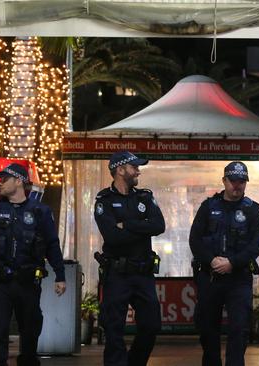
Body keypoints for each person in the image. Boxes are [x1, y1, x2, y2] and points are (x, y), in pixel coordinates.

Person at [0, 163, 66, 366]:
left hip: (28, 282)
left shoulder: (40, 212)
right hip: (0, 282)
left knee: (30, 331)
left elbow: (52, 245)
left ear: (19, 181)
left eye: (4, 179)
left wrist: (60, 275)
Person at [93, 151, 166, 366]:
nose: (138, 171)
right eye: (134, 167)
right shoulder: (104, 200)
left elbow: (159, 226)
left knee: (151, 326)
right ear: (120, 169)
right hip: (117, 273)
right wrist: (142, 228)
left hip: (143, 273)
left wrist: (128, 224)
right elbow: (113, 237)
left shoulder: (144, 197)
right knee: (113, 328)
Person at [189, 161, 259, 366]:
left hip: (238, 278)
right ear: (224, 181)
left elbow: (254, 246)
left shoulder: (253, 211)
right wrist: (212, 260)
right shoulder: (208, 207)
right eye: (233, 181)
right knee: (207, 328)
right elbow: (195, 240)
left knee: (239, 329)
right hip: (210, 276)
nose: (237, 186)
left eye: (241, 181)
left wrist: (232, 263)